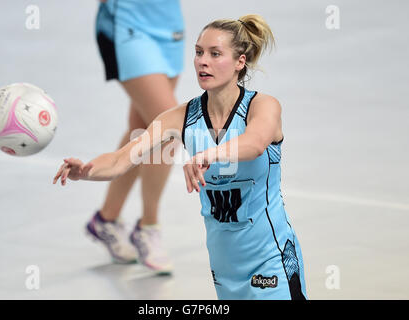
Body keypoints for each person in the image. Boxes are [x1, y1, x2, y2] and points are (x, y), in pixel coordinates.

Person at [55, 14, 307, 299]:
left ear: (240, 61)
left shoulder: (262, 106)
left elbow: (256, 143)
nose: (203, 61)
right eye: (199, 52)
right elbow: (120, 160)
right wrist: (85, 170)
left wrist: (210, 154)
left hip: (271, 261)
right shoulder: (182, 117)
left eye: (215, 54)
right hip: (224, 271)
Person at [87, 0, 185, 274]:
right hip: (127, 22)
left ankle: (106, 219)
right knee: (168, 129)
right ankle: (148, 226)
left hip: (169, 22)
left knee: (143, 129)